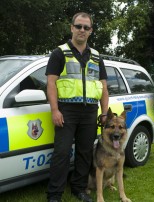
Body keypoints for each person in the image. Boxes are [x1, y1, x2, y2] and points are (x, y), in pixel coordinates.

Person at [46, 12, 109, 202]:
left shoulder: (97, 57)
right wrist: (55, 110)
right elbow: (51, 84)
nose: (82, 30)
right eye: (79, 26)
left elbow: (104, 88)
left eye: (86, 27)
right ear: (72, 28)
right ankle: (54, 195)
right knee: (62, 153)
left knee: (84, 153)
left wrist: (104, 113)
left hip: (90, 111)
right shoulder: (59, 53)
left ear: (90, 31)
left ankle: (79, 189)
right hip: (67, 110)